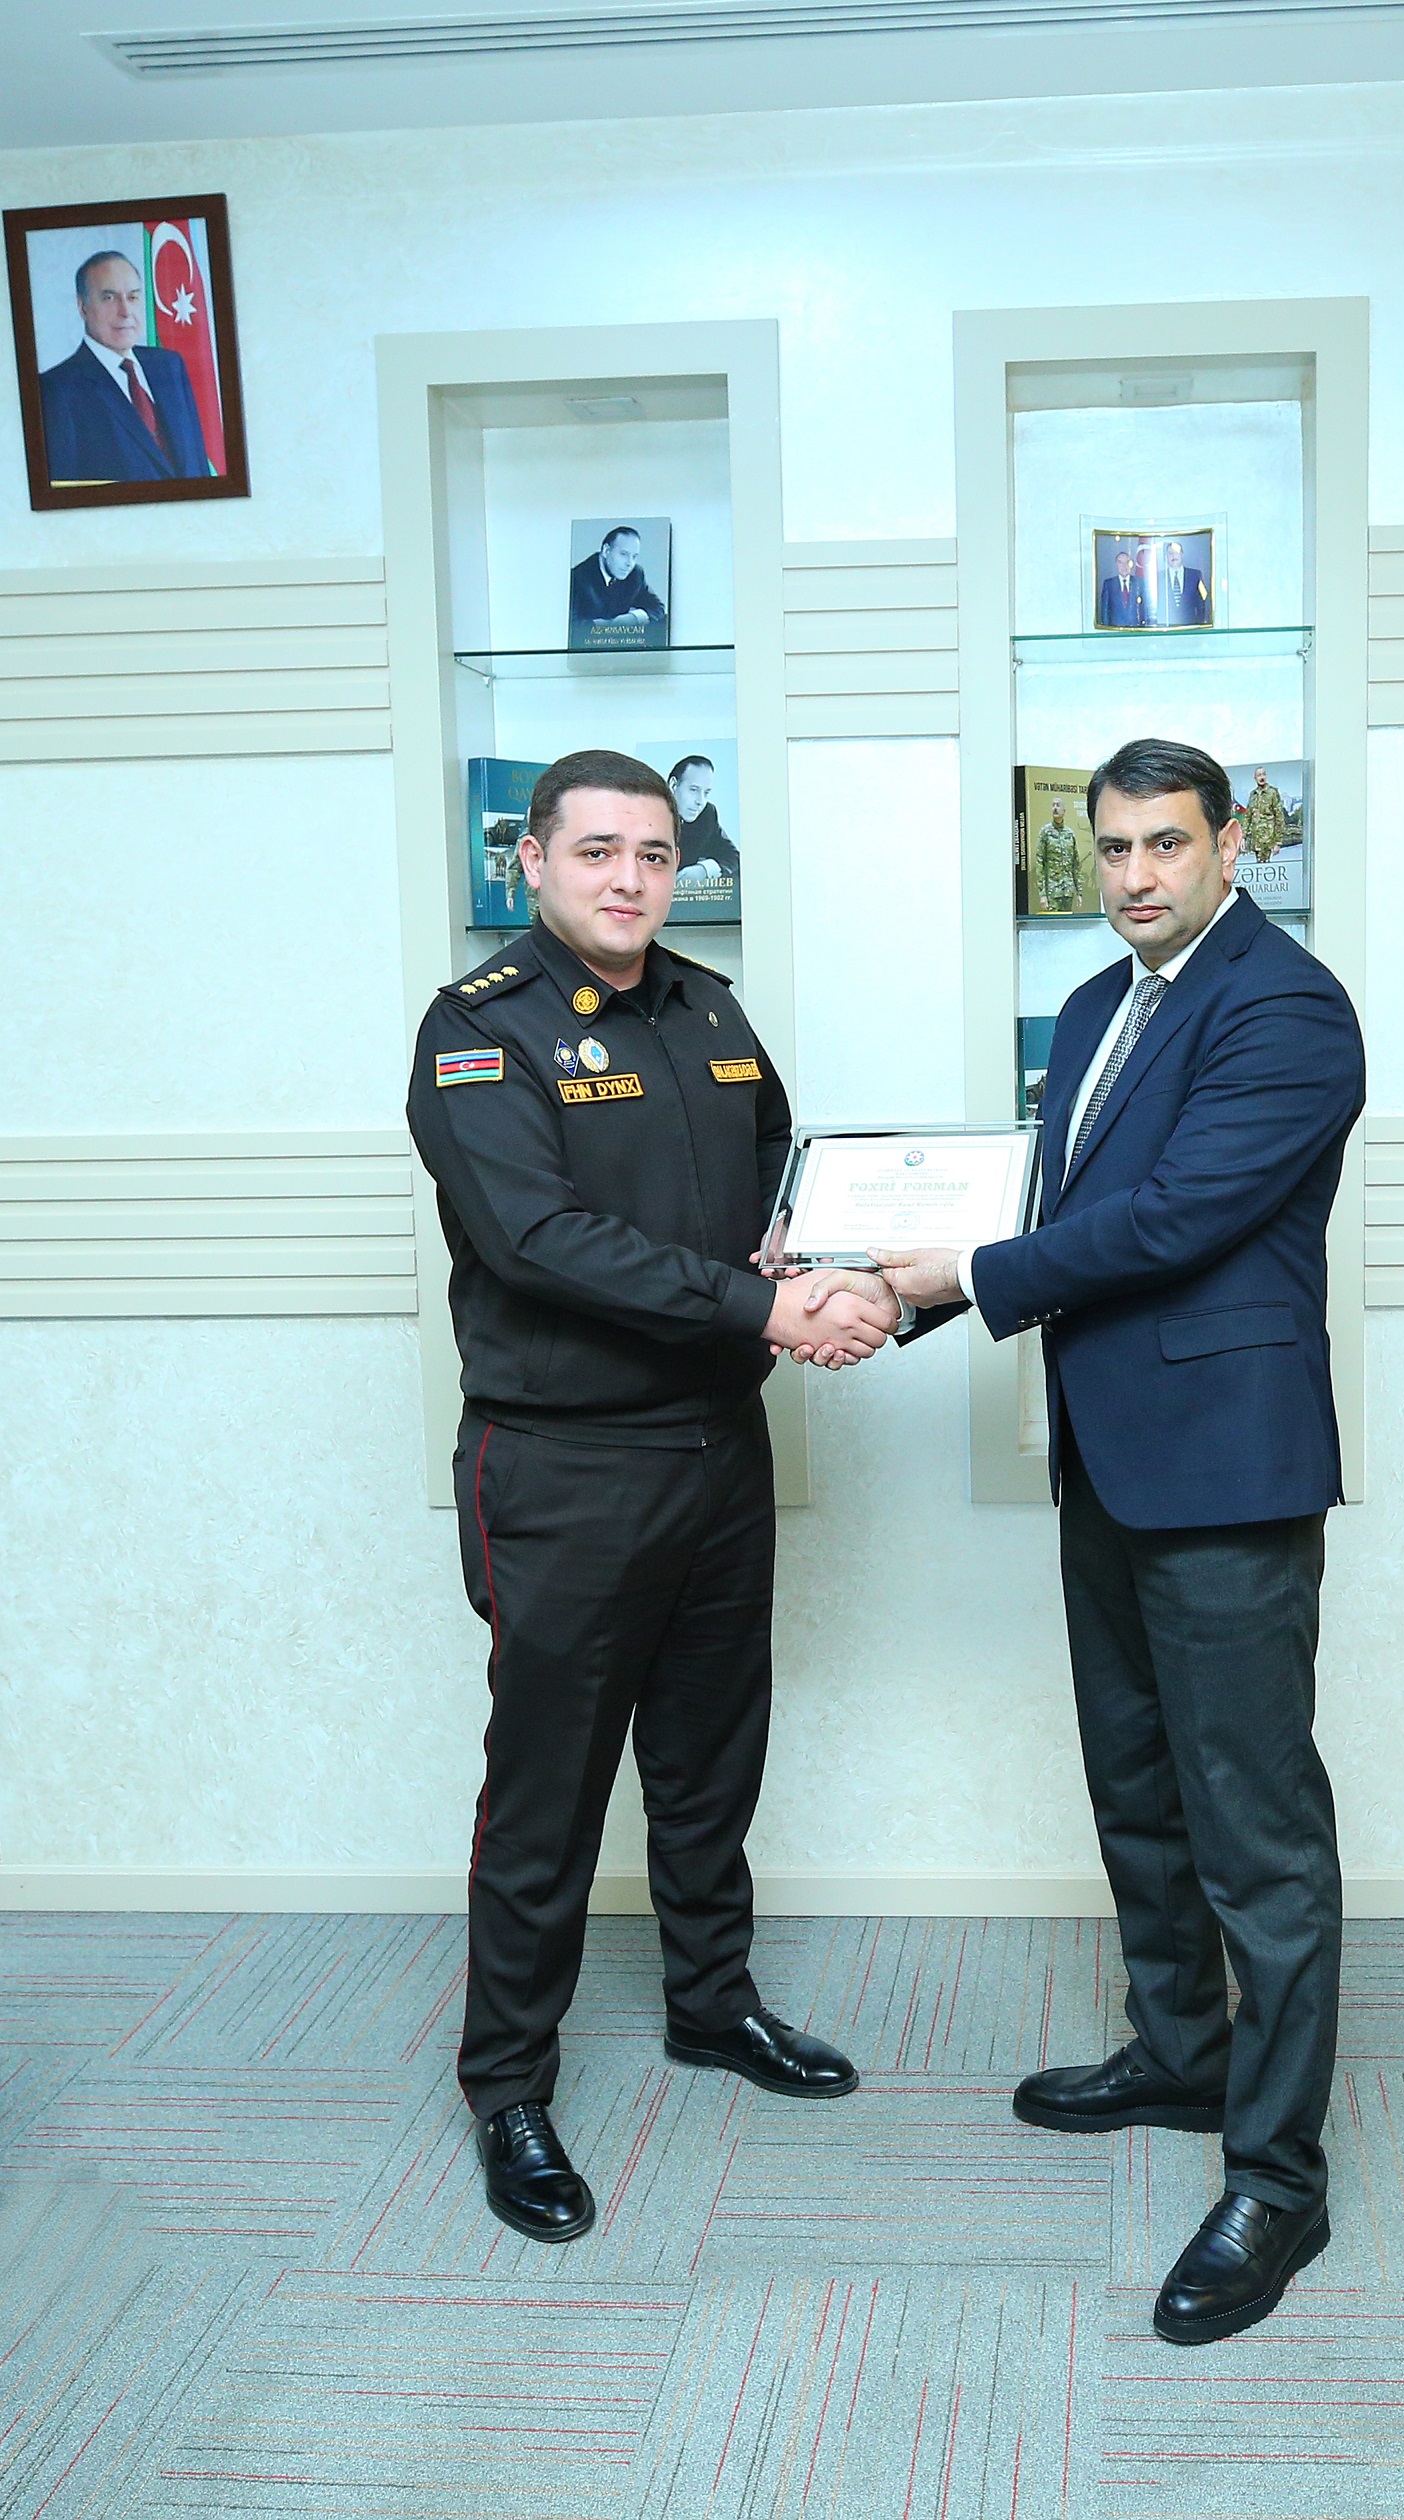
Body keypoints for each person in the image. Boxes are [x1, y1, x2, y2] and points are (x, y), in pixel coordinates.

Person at [863, 734, 1365, 2348]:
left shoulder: (1287, 1007)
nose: (1137, 876)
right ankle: (1181, 2053)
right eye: (1115, 849)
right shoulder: (1092, 1009)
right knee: (1137, 1787)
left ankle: (1277, 2176)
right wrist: (876, 1281)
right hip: (1111, 1459)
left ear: (1232, 848)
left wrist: (952, 1279)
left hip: (1227, 1470)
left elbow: (1175, 1219)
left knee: (1256, 1834)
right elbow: (1051, 1212)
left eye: (1168, 844)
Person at [408, 746, 897, 2245]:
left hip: (715, 1449)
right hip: (565, 1465)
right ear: (532, 862)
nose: (630, 879)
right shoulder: (479, 1029)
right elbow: (538, 1238)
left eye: (656, 855)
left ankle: (710, 2004)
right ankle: (509, 2087)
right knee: (547, 1789)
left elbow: (779, 1183)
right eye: (598, 851)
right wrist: (770, 1309)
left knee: (708, 1757)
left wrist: (826, 1271)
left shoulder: (708, 1008)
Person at [36, 250, 211, 486]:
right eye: (109, 298)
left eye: (133, 297)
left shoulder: (170, 366)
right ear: (82, 306)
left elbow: (197, 463)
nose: (125, 311)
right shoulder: (55, 390)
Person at [568, 525, 669, 645]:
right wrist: (615, 625)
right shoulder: (575, 579)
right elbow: (573, 629)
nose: (629, 563)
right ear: (606, 551)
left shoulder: (635, 574)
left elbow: (657, 607)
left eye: (634, 556)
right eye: (624, 554)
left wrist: (633, 618)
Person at [669, 753, 741, 894]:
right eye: (693, 790)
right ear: (673, 785)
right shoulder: (645, 813)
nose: (700, 801)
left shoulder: (707, 814)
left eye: (706, 793)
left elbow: (733, 856)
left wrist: (704, 870)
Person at [1034, 796, 1087, 914]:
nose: (1055, 808)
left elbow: (1075, 864)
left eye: (1058, 805)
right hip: (1052, 891)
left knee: (1067, 922)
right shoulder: (1046, 832)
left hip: (1068, 891)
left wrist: (1079, 892)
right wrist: (1042, 894)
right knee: (1053, 923)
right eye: (1053, 805)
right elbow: (1039, 862)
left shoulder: (1069, 834)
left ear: (1064, 810)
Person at [1154, 538, 1210, 627]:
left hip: (1191, 628)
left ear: (1182, 554)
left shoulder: (1196, 575)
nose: (1173, 556)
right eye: (1170, 553)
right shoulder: (1158, 578)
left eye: (1176, 552)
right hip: (1165, 628)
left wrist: (1201, 624)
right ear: (1166, 557)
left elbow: (1204, 599)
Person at [1241, 767, 1288, 863]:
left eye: (1263, 774)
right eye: (1259, 775)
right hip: (1256, 840)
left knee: (1267, 867)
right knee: (1259, 866)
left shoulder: (1272, 792)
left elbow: (1279, 817)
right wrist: (1243, 837)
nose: (1262, 777)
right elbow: (1247, 817)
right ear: (1255, 778)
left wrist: (1278, 842)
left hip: (1268, 840)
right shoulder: (1253, 795)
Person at [1098, 543, 1144, 629]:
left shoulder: (1139, 583)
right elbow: (1105, 612)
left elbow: (1145, 609)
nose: (1124, 566)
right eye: (1120, 562)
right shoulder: (1109, 584)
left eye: (1127, 562)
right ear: (1116, 564)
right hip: (1116, 631)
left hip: (1136, 630)